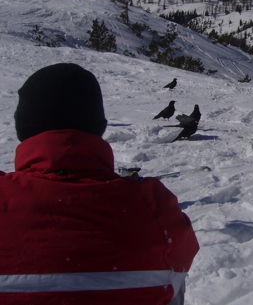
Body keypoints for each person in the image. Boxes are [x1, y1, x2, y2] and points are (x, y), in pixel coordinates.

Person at [0, 63, 199, 304]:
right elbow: (185, 251)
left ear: (23, 126)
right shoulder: (152, 205)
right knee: (170, 280)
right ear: (98, 126)